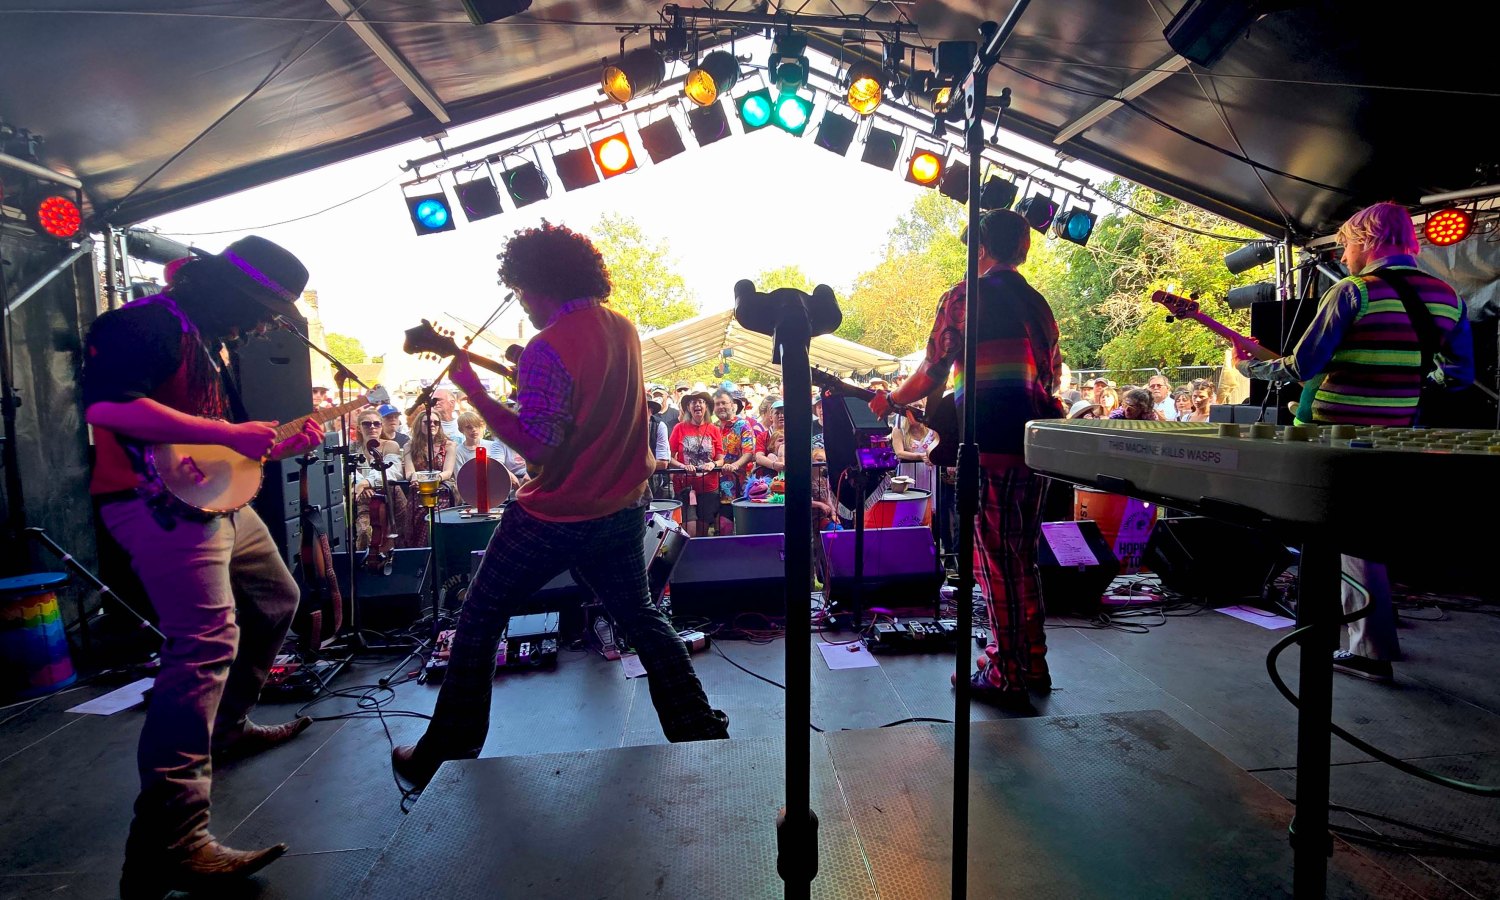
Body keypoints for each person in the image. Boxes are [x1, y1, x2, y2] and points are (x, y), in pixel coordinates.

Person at [392, 222, 728, 788]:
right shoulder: (622, 329)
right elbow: (587, 402)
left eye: (522, 288)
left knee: (479, 617)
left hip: (554, 515)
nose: (521, 300)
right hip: (620, 509)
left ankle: (443, 752)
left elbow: (539, 447)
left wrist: (471, 387)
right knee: (642, 618)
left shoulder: (549, 346)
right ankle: (700, 731)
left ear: (540, 281)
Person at [82, 236, 324, 896]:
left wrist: (270, 445)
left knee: (275, 599)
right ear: (233, 292)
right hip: (151, 504)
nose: (265, 327)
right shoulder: (147, 324)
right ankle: (171, 840)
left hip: (212, 501)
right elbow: (107, 407)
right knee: (203, 646)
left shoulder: (209, 341)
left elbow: (205, 444)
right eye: (265, 312)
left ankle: (228, 728)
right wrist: (227, 434)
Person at [1237, 201, 1473, 683]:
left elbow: (1304, 365)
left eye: (1345, 245)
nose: (1343, 256)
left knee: (1346, 541)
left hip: (1334, 437)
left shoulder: (1354, 292)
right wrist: (1403, 385)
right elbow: (1459, 375)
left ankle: (1369, 649)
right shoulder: (1447, 296)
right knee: (1368, 534)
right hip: (1397, 438)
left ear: (1368, 240)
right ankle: (1364, 629)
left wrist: (1249, 367)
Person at [870, 209, 1064, 705]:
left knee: (995, 562)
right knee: (1021, 558)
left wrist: (891, 399)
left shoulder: (964, 297)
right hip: (1037, 445)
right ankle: (1030, 661)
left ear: (980, 248)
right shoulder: (1038, 304)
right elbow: (1051, 377)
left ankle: (1006, 674)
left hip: (991, 444)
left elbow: (933, 370)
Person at [670, 390, 723, 537]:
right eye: (693, 402)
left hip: (709, 487)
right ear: (688, 407)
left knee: (702, 532)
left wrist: (713, 464)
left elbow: (721, 458)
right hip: (685, 486)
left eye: (701, 402)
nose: (697, 405)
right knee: (690, 531)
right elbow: (669, 456)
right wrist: (682, 466)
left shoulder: (714, 429)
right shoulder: (679, 428)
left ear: (706, 407)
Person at [713, 388, 761, 532]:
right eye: (717, 404)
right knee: (721, 525)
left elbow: (749, 452)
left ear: (732, 405)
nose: (721, 406)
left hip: (739, 483)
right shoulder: (713, 427)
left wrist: (735, 465)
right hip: (716, 484)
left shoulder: (743, 425)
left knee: (740, 526)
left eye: (724, 403)